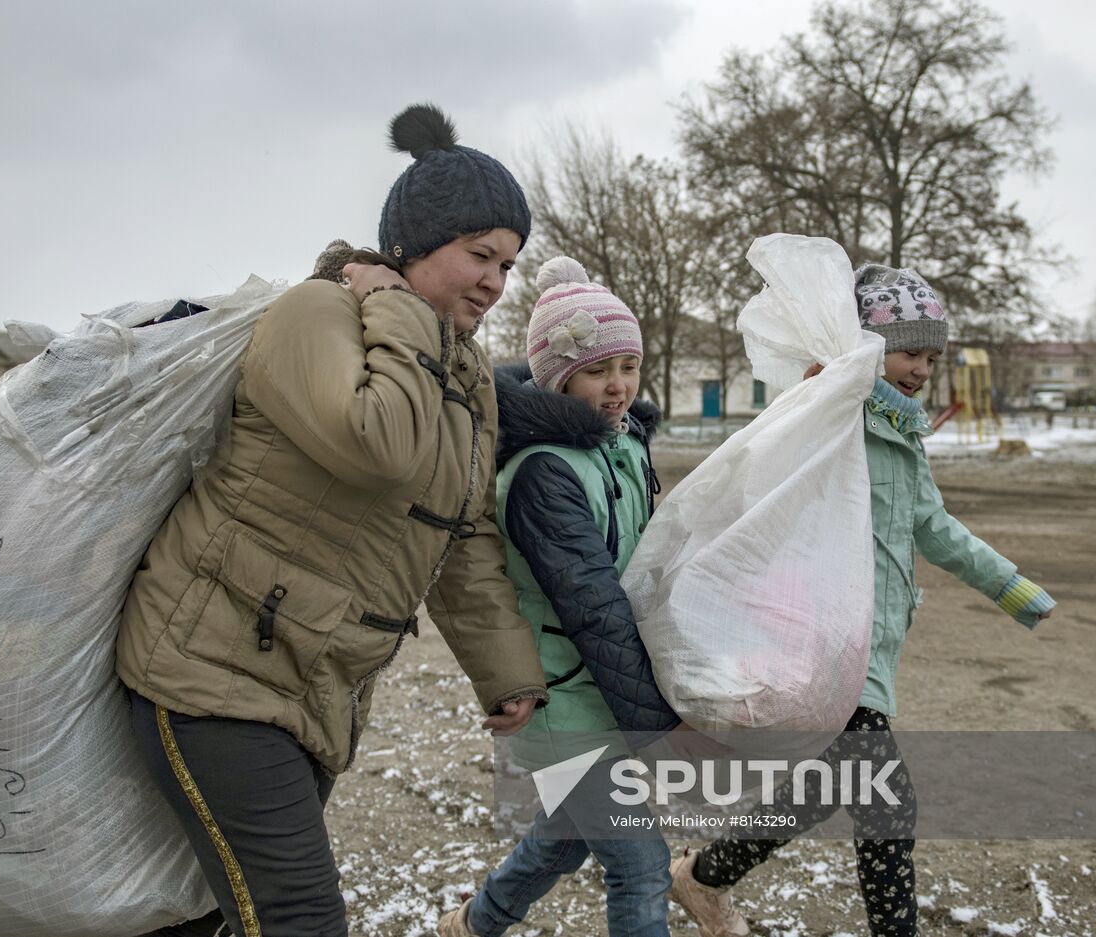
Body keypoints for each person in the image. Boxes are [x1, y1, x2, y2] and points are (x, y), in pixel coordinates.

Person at [116, 103, 549, 937]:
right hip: (210, 671)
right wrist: (393, 308)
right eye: (480, 253)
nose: (498, 280)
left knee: (213, 913)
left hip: (313, 686)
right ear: (412, 247)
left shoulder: (466, 379)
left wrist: (506, 672)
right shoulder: (314, 314)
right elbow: (374, 441)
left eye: (509, 262)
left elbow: (462, 536)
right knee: (298, 916)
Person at [667, 264, 1058, 937]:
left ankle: (704, 878)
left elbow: (930, 524)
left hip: (872, 641)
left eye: (931, 358)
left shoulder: (904, 435)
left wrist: (1009, 585)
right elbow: (766, 494)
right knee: (887, 800)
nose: (920, 370)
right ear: (871, 346)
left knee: (825, 788)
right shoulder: (832, 414)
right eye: (909, 352)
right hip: (824, 638)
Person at [438, 257, 681, 937]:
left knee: (568, 834)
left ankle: (473, 923)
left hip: (600, 689)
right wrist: (659, 725)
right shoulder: (545, 470)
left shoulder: (622, 445)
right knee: (640, 863)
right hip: (564, 700)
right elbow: (595, 608)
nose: (619, 386)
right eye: (601, 370)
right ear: (557, 374)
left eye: (628, 366)